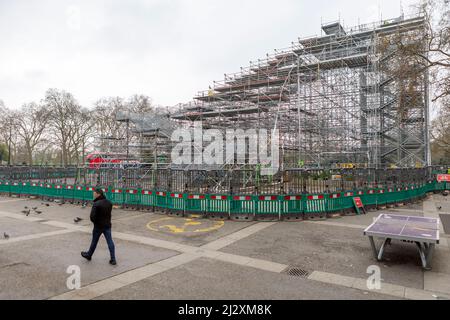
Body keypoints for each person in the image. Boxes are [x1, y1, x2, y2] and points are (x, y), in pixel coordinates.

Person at [81, 188, 117, 265]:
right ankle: (113, 259)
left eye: (94, 193)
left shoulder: (96, 204)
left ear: (98, 194)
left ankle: (89, 255)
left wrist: (96, 223)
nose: (93, 195)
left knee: (94, 241)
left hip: (98, 226)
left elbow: (92, 217)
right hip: (107, 225)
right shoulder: (109, 203)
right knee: (110, 241)